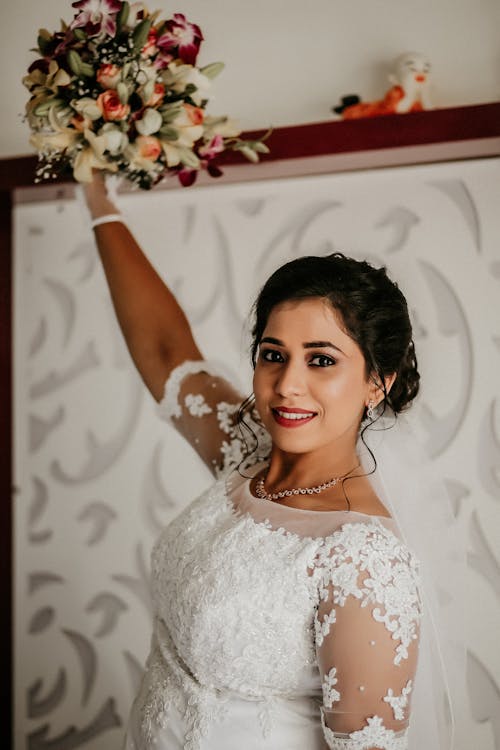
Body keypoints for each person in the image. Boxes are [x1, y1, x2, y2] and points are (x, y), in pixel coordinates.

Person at [82, 174, 465, 750]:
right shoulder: (249, 453)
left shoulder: (363, 559)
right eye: (273, 355)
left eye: (322, 360)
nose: (288, 386)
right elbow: (165, 349)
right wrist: (94, 194)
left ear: (377, 383)